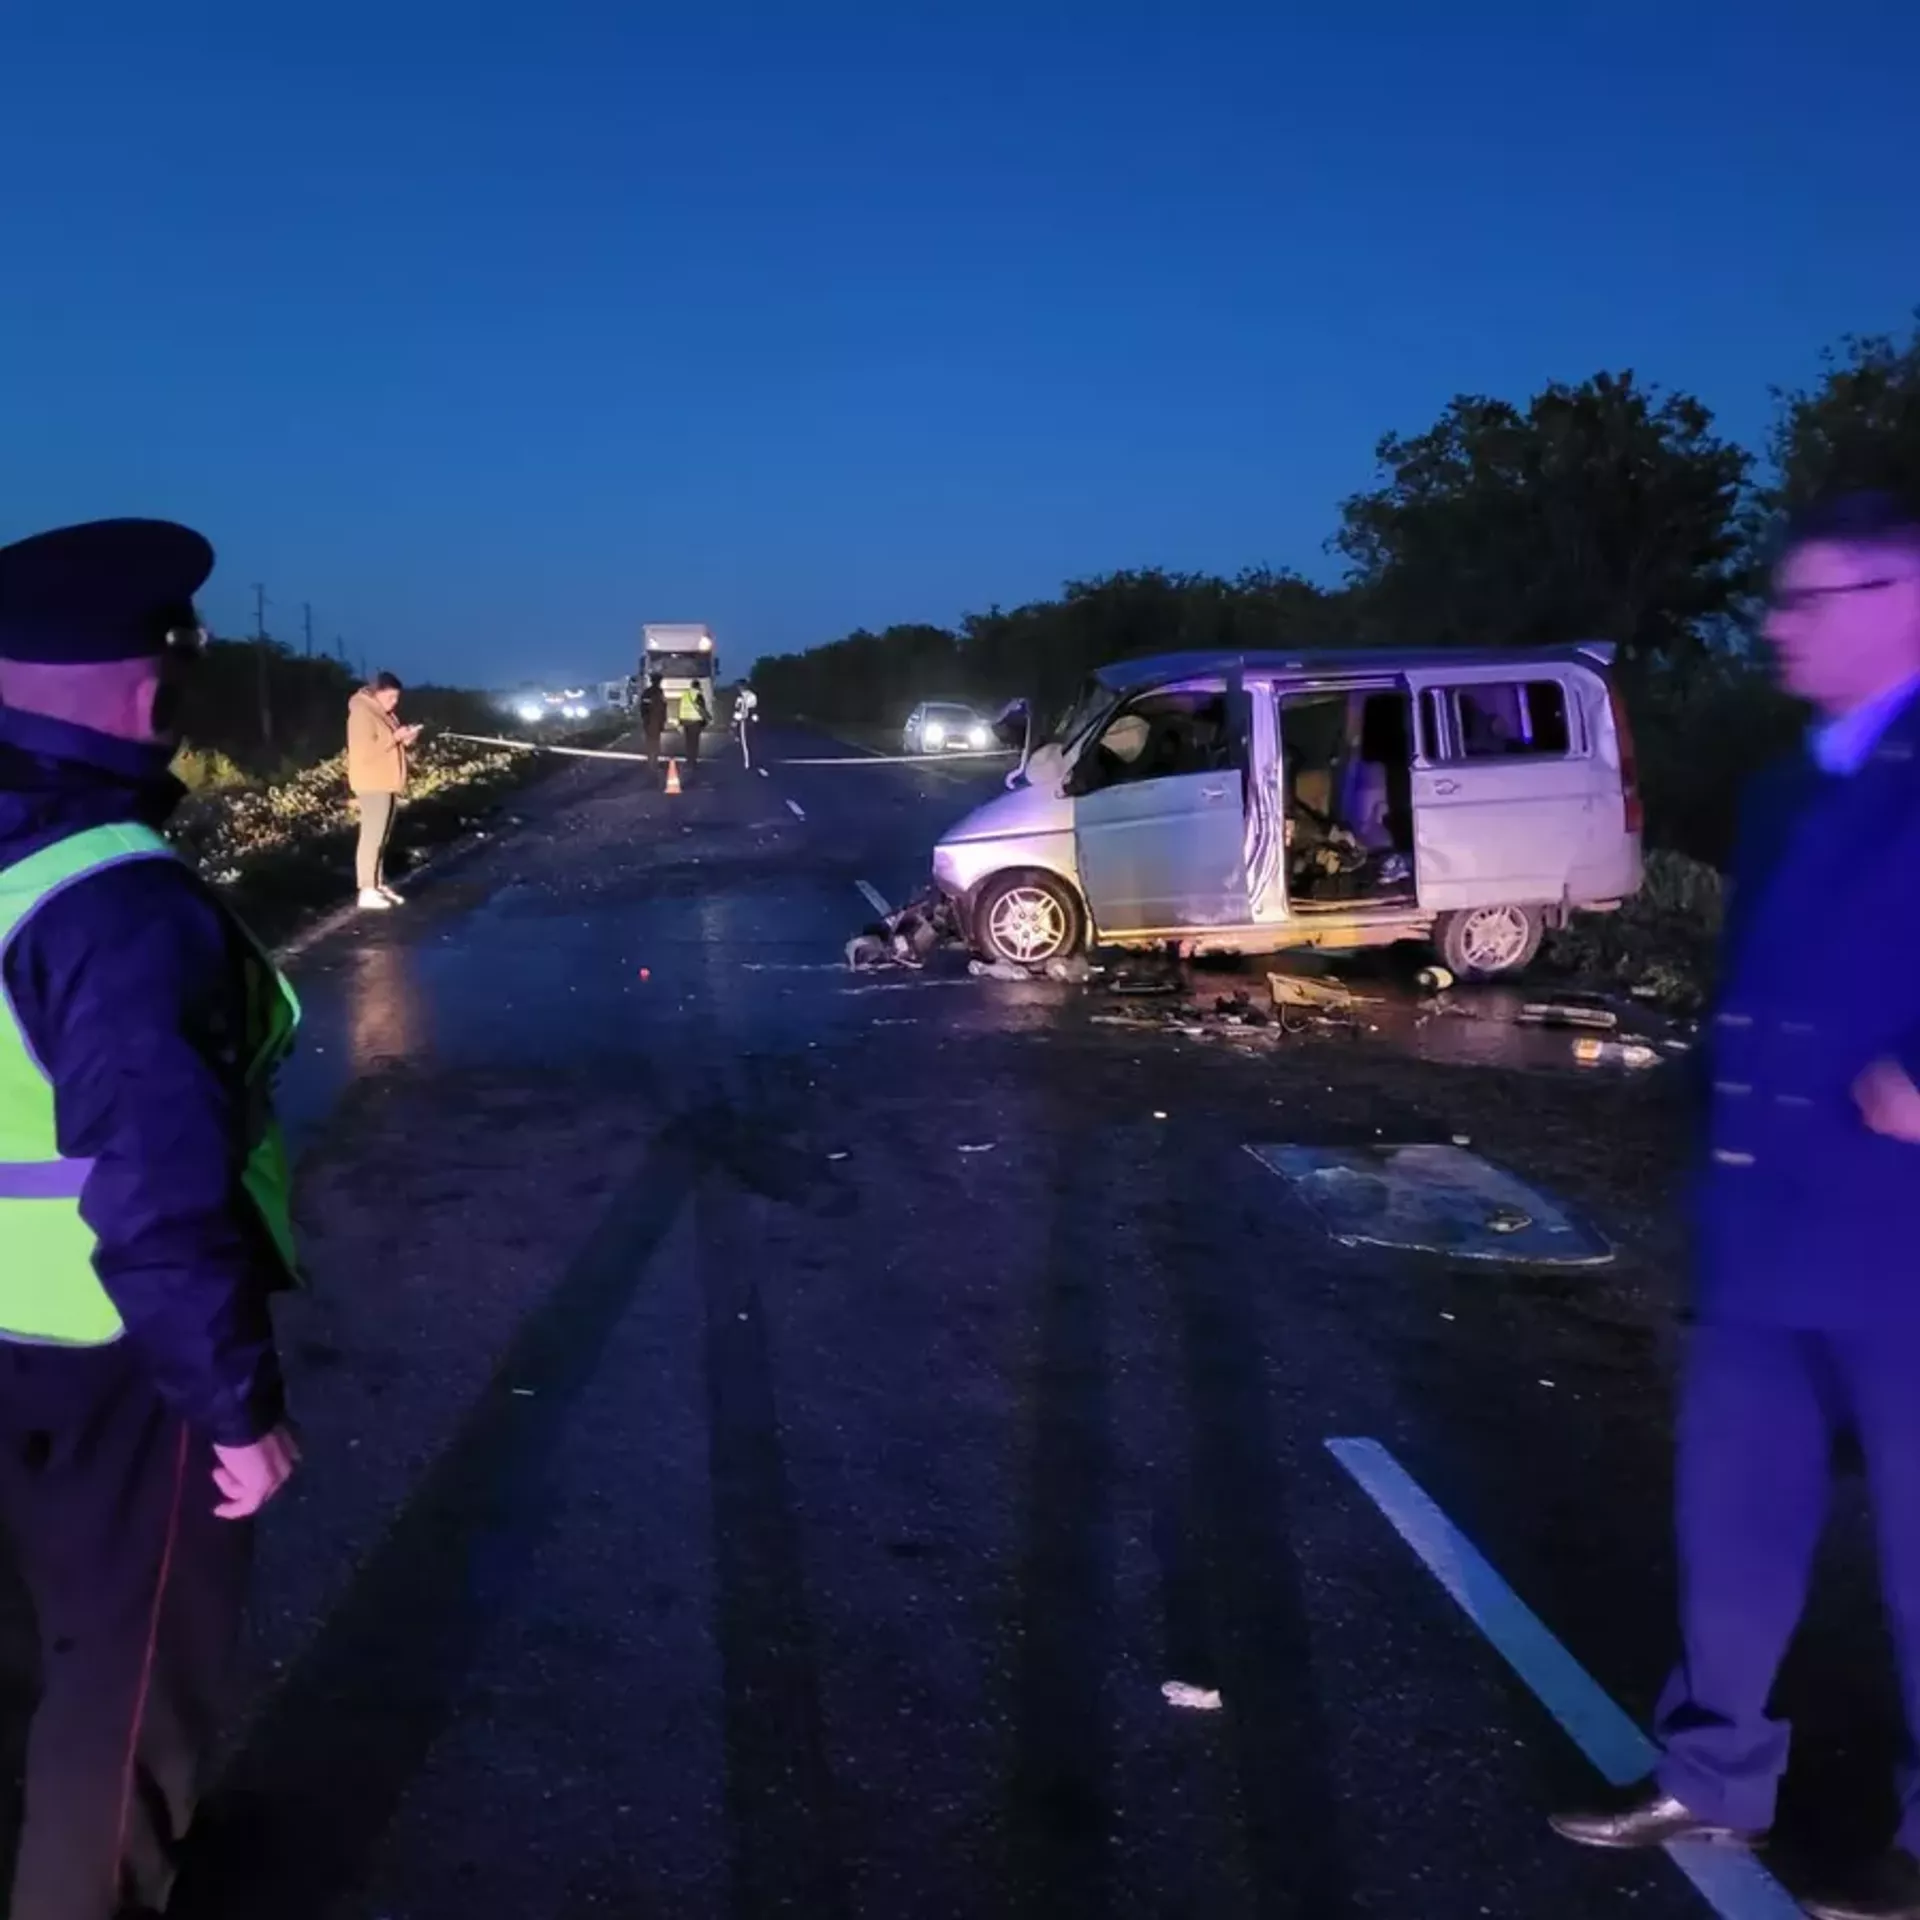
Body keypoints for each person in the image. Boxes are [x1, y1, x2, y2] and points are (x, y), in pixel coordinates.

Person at [1552, 491, 1920, 1920]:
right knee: (1734, 1533)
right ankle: (1713, 1778)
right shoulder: (1782, 789)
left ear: (1905, 601)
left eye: (1812, 599)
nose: (1779, 625)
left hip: (1901, 1238)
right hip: (1765, 1236)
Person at [0, 518, 304, 1920]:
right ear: (143, 680)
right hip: (110, 1349)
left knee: (32, 1644)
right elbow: (157, 1186)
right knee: (122, 1685)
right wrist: (231, 1404)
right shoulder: (111, 894)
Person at [345, 670, 419, 911]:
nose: (394, 703)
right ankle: (366, 889)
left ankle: (376, 884)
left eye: (397, 698)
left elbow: (389, 743)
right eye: (390, 697)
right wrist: (395, 738)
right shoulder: (362, 713)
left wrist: (406, 738)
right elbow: (365, 751)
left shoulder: (383, 713)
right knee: (371, 837)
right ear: (377, 693)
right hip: (372, 783)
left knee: (381, 837)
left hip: (386, 782)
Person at [678, 682, 710, 768]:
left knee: (688, 742)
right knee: (694, 742)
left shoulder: (685, 695)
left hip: (685, 721)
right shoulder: (698, 695)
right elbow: (701, 708)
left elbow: (681, 708)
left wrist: (680, 722)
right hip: (695, 721)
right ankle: (693, 761)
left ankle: (688, 760)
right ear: (698, 686)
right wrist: (707, 718)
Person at [638, 671, 668, 765]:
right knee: (655, 741)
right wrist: (663, 720)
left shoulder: (648, 692)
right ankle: (653, 760)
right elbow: (663, 707)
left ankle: (651, 759)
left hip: (650, 720)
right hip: (654, 720)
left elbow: (643, 707)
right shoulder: (658, 692)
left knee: (651, 740)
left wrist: (645, 718)